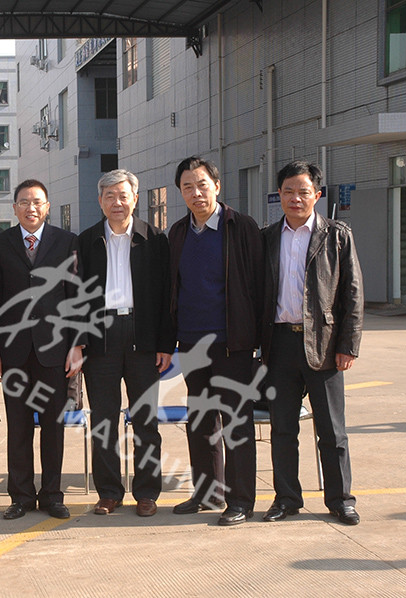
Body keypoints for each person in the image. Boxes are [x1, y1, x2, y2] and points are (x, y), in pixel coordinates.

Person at [261, 161, 364, 525]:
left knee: (332, 430)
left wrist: (348, 345)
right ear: (279, 195)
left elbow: (353, 293)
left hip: (324, 345)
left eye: (303, 192)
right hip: (279, 346)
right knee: (282, 429)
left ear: (317, 195)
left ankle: (340, 499)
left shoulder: (337, 235)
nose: (295, 198)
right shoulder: (266, 237)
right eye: (288, 191)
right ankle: (287, 499)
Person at [169, 156, 264, 526]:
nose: (196, 193)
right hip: (192, 343)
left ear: (217, 186)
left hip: (232, 343)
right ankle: (208, 494)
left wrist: (257, 340)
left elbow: (259, 284)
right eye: (188, 187)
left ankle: (241, 500)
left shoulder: (241, 227)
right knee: (201, 422)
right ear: (181, 192)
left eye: (202, 185)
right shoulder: (178, 232)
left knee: (236, 423)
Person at [0, 179, 83, 520]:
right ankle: (21, 496)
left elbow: (75, 295)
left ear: (47, 206)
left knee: (53, 427)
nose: (31, 208)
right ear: (14, 208)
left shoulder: (67, 242)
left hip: (54, 351)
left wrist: (77, 344)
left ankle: (52, 495)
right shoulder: (0, 244)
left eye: (37, 202)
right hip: (13, 351)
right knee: (19, 427)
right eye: (24, 202)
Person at [77, 170, 174, 517]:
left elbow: (167, 296)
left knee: (145, 420)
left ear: (135, 198)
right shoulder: (86, 241)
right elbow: (75, 297)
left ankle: (147, 492)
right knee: (103, 420)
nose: (116, 202)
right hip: (100, 336)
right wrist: (79, 342)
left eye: (123, 195)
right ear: (100, 201)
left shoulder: (155, 240)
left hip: (142, 335)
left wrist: (165, 343)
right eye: (109, 196)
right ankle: (109, 492)